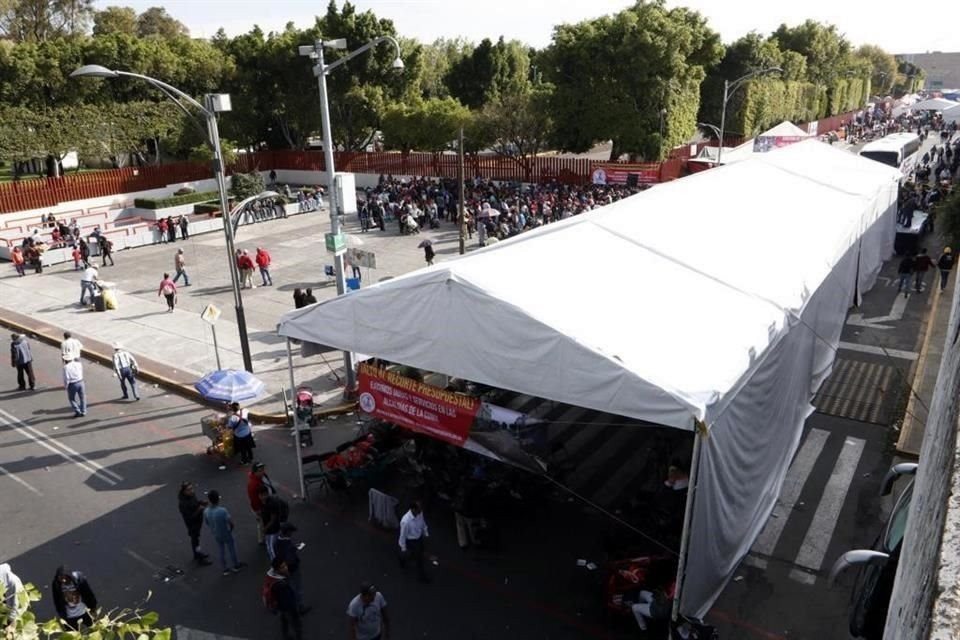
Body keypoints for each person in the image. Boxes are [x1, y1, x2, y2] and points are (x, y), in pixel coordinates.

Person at [203, 489, 244, 576]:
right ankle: (236, 565)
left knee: (221, 550)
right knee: (231, 548)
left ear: (209, 500)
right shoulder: (222, 510)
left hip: (216, 534)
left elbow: (207, 522)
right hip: (226, 532)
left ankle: (225, 569)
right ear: (218, 499)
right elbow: (230, 522)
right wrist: (231, 528)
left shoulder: (206, 511)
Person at [273, 522, 309, 613]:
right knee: (297, 587)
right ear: (288, 532)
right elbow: (290, 559)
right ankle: (300, 607)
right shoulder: (287, 544)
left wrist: (293, 548)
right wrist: (293, 551)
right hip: (292, 569)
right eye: (291, 532)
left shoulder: (277, 541)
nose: (292, 534)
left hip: (282, 569)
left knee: (288, 587)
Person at [266, 558, 302, 640]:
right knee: (296, 624)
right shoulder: (281, 586)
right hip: (287, 608)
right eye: (282, 567)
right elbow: (288, 601)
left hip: (281, 607)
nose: (286, 568)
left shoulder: (272, 577)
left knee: (284, 621)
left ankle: (285, 635)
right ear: (277, 570)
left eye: (285, 565)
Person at [52, 566, 97, 631]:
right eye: (61, 578)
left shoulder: (79, 579)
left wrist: (93, 607)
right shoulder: (56, 583)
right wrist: (61, 614)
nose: (64, 580)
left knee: (94, 629)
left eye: (66, 578)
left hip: (84, 612)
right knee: (72, 635)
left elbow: (88, 593)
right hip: (69, 616)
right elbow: (56, 599)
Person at [178, 481, 212, 566]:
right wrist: (199, 510)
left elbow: (196, 502)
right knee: (195, 541)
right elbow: (189, 518)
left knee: (196, 539)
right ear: (184, 491)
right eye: (189, 490)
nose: (192, 491)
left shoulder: (191, 496)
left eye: (192, 488)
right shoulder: (183, 504)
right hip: (192, 525)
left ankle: (197, 555)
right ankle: (200, 559)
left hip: (197, 522)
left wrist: (201, 502)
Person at [398, 500, 430, 582]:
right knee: (419, 559)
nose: (420, 512)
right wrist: (403, 549)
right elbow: (403, 536)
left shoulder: (419, 513)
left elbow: (423, 524)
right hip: (411, 541)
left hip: (419, 539)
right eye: (419, 510)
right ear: (413, 509)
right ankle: (422, 576)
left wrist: (425, 533)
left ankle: (404, 559)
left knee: (417, 553)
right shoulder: (405, 521)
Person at [247, 461, 277, 545]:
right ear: (255, 472)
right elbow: (254, 499)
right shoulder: (253, 484)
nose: (263, 471)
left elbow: (268, 484)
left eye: (263, 469)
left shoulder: (261, 477)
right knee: (261, 523)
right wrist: (258, 510)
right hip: (260, 507)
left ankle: (265, 535)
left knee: (264, 521)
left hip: (266, 502)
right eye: (260, 470)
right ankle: (262, 538)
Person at [259, 485, 289, 560]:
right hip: (268, 529)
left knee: (273, 547)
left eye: (263, 495)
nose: (261, 497)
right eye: (260, 495)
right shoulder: (263, 502)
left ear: (266, 494)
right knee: (269, 546)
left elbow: (273, 519)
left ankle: (277, 564)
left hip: (273, 529)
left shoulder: (271, 503)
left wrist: (264, 528)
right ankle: (274, 563)